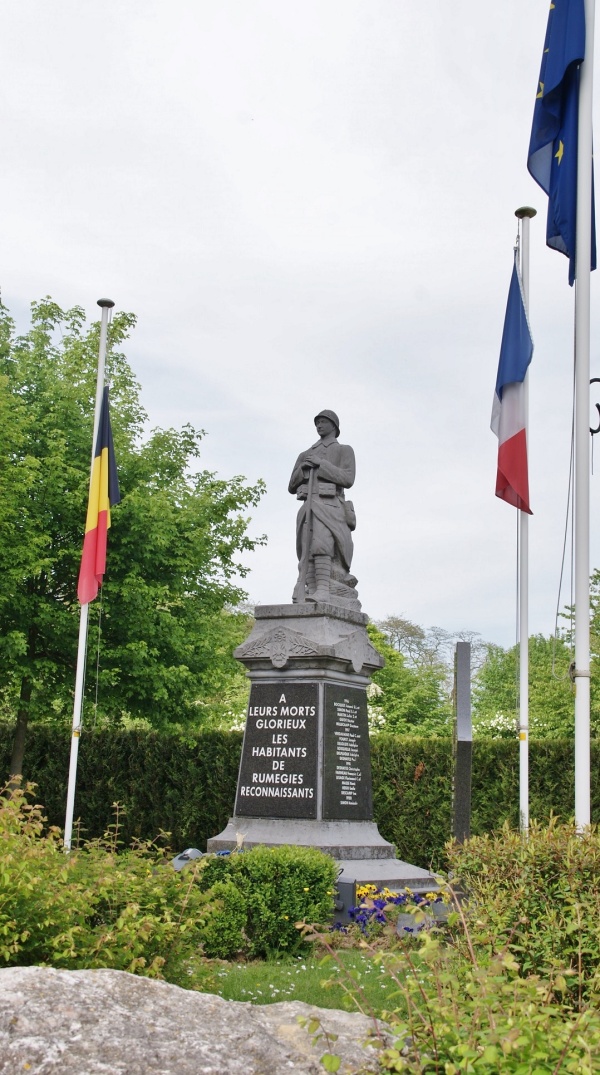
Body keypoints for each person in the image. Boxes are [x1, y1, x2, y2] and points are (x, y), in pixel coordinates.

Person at [288, 410, 360, 608]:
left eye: (323, 422)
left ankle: (323, 590)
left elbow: (347, 478)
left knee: (322, 545)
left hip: (329, 505)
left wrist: (322, 465)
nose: (319, 425)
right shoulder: (305, 454)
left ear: (334, 426)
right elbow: (291, 486)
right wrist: (303, 468)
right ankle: (309, 589)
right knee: (306, 549)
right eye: (317, 422)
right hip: (308, 505)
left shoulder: (344, 450)